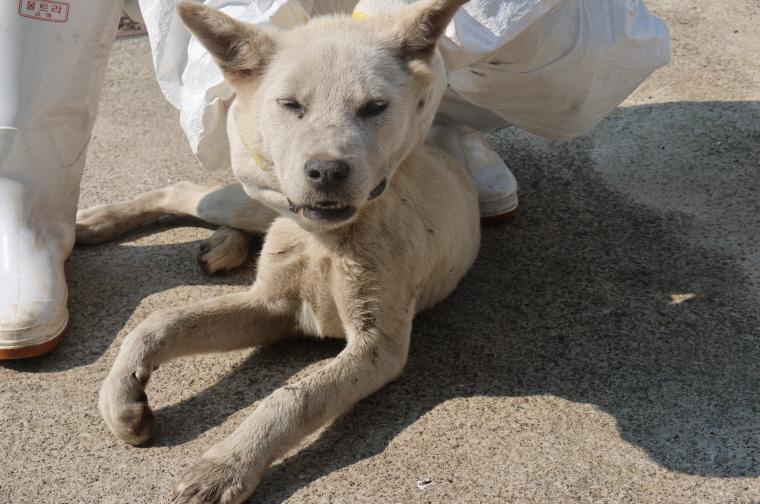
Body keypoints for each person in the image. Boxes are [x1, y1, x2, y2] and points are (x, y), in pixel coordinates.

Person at [0, 0, 669, 358]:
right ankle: (21, 195)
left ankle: (433, 127)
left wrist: (406, 54)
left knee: (569, 32)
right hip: (281, 50)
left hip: (381, 47)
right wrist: (260, 96)